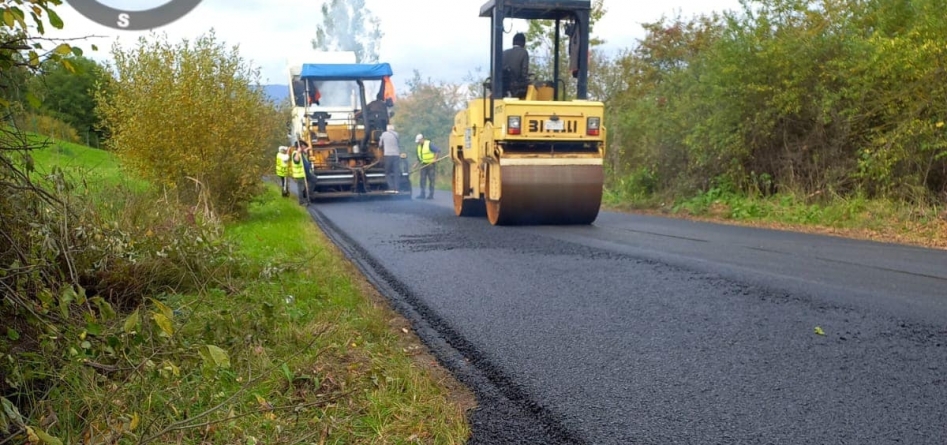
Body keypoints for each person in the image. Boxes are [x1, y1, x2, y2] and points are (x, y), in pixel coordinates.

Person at [502, 32, 529, 99]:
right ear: (523, 43)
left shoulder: (504, 53)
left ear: (513, 42)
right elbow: (524, 73)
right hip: (516, 89)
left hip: (502, 87)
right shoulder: (524, 53)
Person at [415, 133, 441, 200]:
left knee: (431, 180)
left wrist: (435, 159)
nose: (418, 143)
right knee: (422, 180)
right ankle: (422, 194)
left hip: (430, 165)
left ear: (422, 139)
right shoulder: (419, 147)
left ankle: (431, 195)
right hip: (423, 165)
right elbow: (419, 157)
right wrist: (416, 164)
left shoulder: (429, 144)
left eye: (419, 141)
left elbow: (438, 150)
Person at [379, 124, 401, 194]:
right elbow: (398, 143)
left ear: (387, 129)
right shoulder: (396, 134)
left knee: (387, 172)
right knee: (396, 172)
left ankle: (391, 188)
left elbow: (380, 145)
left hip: (388, 155)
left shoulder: (384, 134)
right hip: (396, 155)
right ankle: (397, 189)